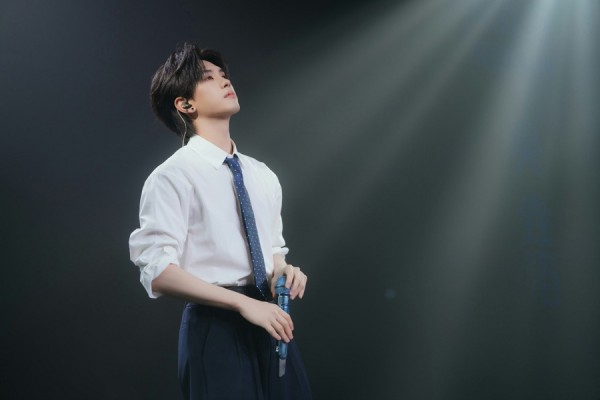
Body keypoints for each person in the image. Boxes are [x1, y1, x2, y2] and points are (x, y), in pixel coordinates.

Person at [129, 42, 312, 400]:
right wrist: (242, 303)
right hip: (216, 326)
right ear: (185, 104)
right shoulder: (172, 176)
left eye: (224, 75)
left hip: (272, 319)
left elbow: (274, 250)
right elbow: (158, 270)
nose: (225, 81)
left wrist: (285, 272)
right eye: (208, 78)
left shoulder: (262, 174)